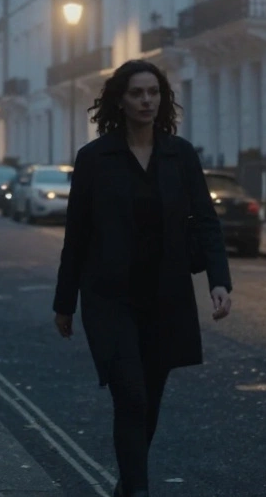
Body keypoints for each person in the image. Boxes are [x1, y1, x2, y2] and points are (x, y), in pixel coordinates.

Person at [52, 59, 233, 497]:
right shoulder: (95, 159)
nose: (147, 100)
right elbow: (76, 234)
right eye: (137, 93)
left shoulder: (180, 154)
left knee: (147, 401)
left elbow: (206, 221)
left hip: (165, 297)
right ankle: (138, 490)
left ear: (163, 98)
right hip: (109, 298)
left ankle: (128, 485)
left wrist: (218, 280)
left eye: (154, 92)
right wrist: (65, 301)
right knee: (130, 394)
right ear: (120, 99)